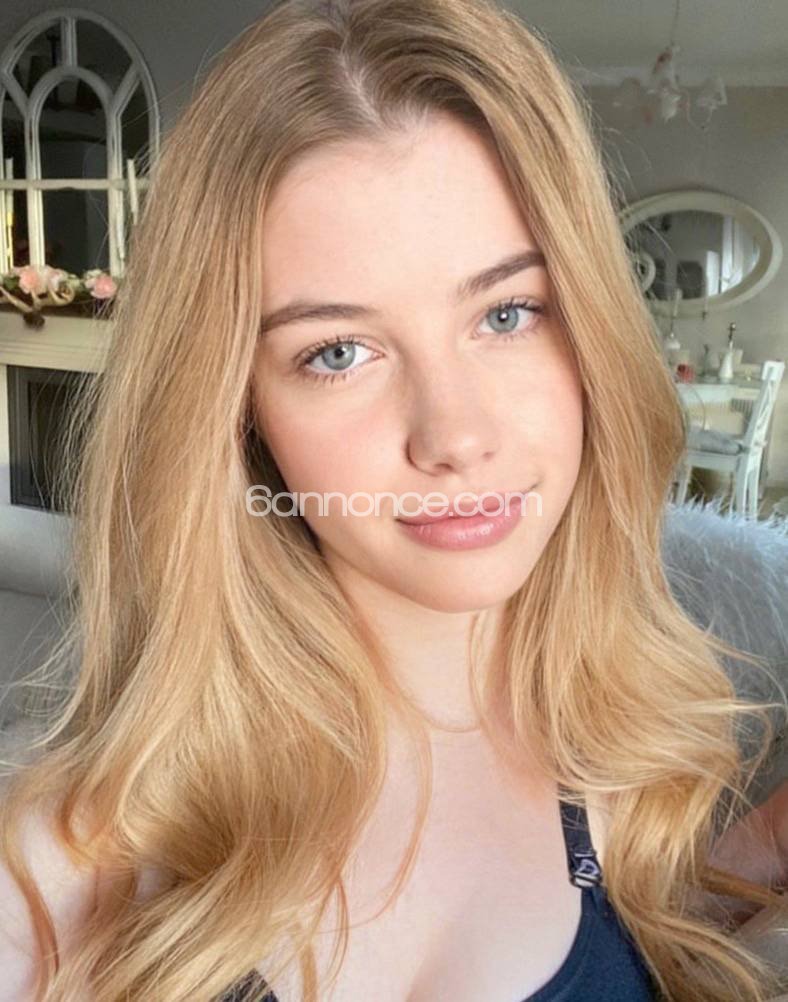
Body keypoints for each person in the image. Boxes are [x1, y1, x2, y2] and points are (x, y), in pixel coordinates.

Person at [0, 0, 785, 1000]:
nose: (453, 435)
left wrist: (738, 887)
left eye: (508, 312)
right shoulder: (61, 871)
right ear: (237, 412)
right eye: (337, 352)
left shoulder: (637, 767)